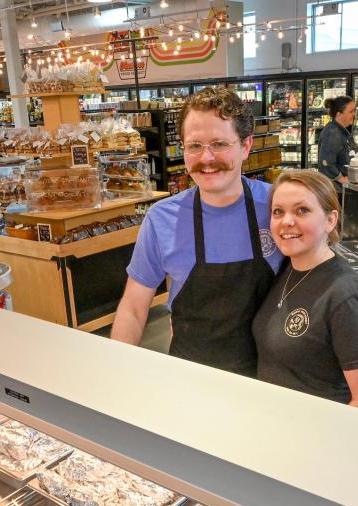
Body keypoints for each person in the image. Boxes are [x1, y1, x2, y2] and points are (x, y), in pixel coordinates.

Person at [111, 87, 284, 376]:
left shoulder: (280, 207)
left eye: (219, 144)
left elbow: (324, 278)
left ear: (246, 146)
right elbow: (133, 308)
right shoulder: (161, 219)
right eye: (194, 146)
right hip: (191, 378)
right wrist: (117, 371)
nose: (207, 158)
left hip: (270, 379)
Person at [253, 170, 358, 411]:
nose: (286, 221)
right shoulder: (286, 270)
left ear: (330, 220)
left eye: (302, 210)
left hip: (314, 437)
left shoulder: (345, 294)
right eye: (278, 212)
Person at [317, 95, 358, 191]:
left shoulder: (341, 131)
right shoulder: (332, 133)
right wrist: (341, 179)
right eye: (351, 111)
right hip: (336, 191)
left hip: (343, 189)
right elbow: (326, 163)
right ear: (339, 114)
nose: (354, 114)